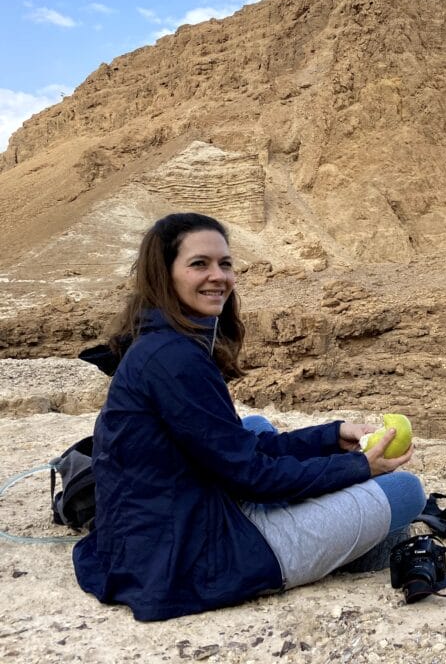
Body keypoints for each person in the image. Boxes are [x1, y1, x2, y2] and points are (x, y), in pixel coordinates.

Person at [73, 212, 425, 621]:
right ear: (164, 274)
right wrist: (360, 466)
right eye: (199, 264)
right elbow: (254, 476)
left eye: (225, 263)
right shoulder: (175, 360)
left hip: (163, 522)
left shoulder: (162, 341)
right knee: (406, 491)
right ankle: (354, 553)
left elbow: (235, 448)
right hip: (188, 559)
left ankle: (343, 532)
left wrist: (332, 436)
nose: (218, 276)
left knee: (255, 427)